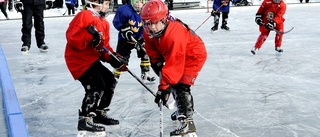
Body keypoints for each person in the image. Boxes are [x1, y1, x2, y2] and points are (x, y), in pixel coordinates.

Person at [140, 0, 207, 136]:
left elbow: (174, 66)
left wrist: (164, 88)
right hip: (173, 54)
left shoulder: (174, 33)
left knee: (181, 85)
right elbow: (151, 49)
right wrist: (156, 62)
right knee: (174, 83)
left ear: (164, 19)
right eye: (147, 23)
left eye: (154, 22)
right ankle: (180, 109)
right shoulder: (150, 31)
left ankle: (188, 122)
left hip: (192, 55)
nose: (151, 27)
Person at [65, 0, 127, 134]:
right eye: (104, 3)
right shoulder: (85, 15)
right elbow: (72, 38)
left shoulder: (104, 23)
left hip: (91, 59)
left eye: (107, 3)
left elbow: (103, 47)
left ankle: (98, 113)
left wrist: (113, 58)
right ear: (93, 3)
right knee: (96, 85)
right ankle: (84, 120)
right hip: (78, 60)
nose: (107, 6)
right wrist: (90, 36)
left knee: (110, 80)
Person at [112, 0, 156, 82]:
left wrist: (142, 38)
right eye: (136, 2)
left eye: (141, 2)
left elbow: (146, 27)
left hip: (138, 39)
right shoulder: (124, 10)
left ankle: (145, 72)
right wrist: (124, 28)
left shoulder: (146, 12)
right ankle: (115, 75)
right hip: (124, 40)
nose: (138, 4)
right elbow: (116, 21)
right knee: (120, 59)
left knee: (145, 53)